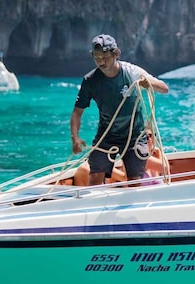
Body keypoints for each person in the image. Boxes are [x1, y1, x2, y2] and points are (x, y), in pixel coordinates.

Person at [70, 34, 169, 186]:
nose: (101, 62)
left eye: (105, 57)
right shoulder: (90, 80)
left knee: (134, 180)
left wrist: (148, 83)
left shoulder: (132, 72)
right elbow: (77, 112)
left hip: (134, 136)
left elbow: (164, 88)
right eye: (96, 58)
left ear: (116, 54)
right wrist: (75, 137)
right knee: (96, 176)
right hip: (106, 135)